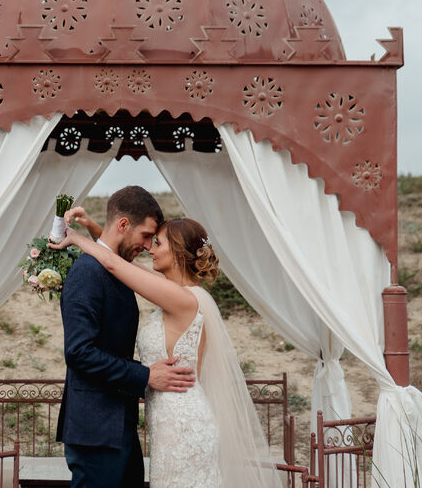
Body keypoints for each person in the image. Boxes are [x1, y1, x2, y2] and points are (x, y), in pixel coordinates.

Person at [55, 210, 282, 488]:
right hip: (170, 420)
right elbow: (122, 262)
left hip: (181, 423)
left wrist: (77, 239)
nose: (149, 248)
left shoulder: (183, 299)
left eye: (158, 243)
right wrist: (95, 229)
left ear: (177, 254)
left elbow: (115, 265)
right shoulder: (177, 292)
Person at [56, 186, 196, 488]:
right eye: (146, 236)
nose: (148, 246)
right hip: (96, 431)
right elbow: (79, 352)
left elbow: (111, 257)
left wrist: (92, 231)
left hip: (118, 424)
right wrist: (146, 375)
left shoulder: (113, 269)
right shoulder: (86, 273)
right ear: (123, 225)